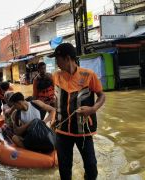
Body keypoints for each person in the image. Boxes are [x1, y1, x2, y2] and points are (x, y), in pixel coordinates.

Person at [48, 43, 105, 180]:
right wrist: (53, 114)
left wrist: (92, 109)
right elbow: (57, 99)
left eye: (58, 59)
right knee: (64, 168)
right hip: (62, 130)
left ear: (67, 58)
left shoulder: (89, 76)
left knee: (91, 167)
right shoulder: (55, 76)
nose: (57, 63)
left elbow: (102, 95)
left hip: (83, 130)